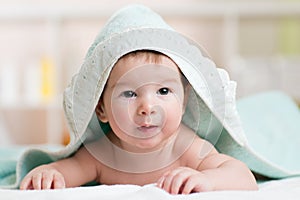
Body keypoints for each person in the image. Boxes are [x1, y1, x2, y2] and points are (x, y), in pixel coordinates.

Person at [20, 50, 257, 194]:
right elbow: (68, 169)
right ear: (102, 109)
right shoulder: (102, 153)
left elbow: (243, 176)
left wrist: (208, 179)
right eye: (129, 94)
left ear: (183, 102)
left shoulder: (186, 148)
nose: (147, 108)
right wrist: (50, 173)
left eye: (163, 90)